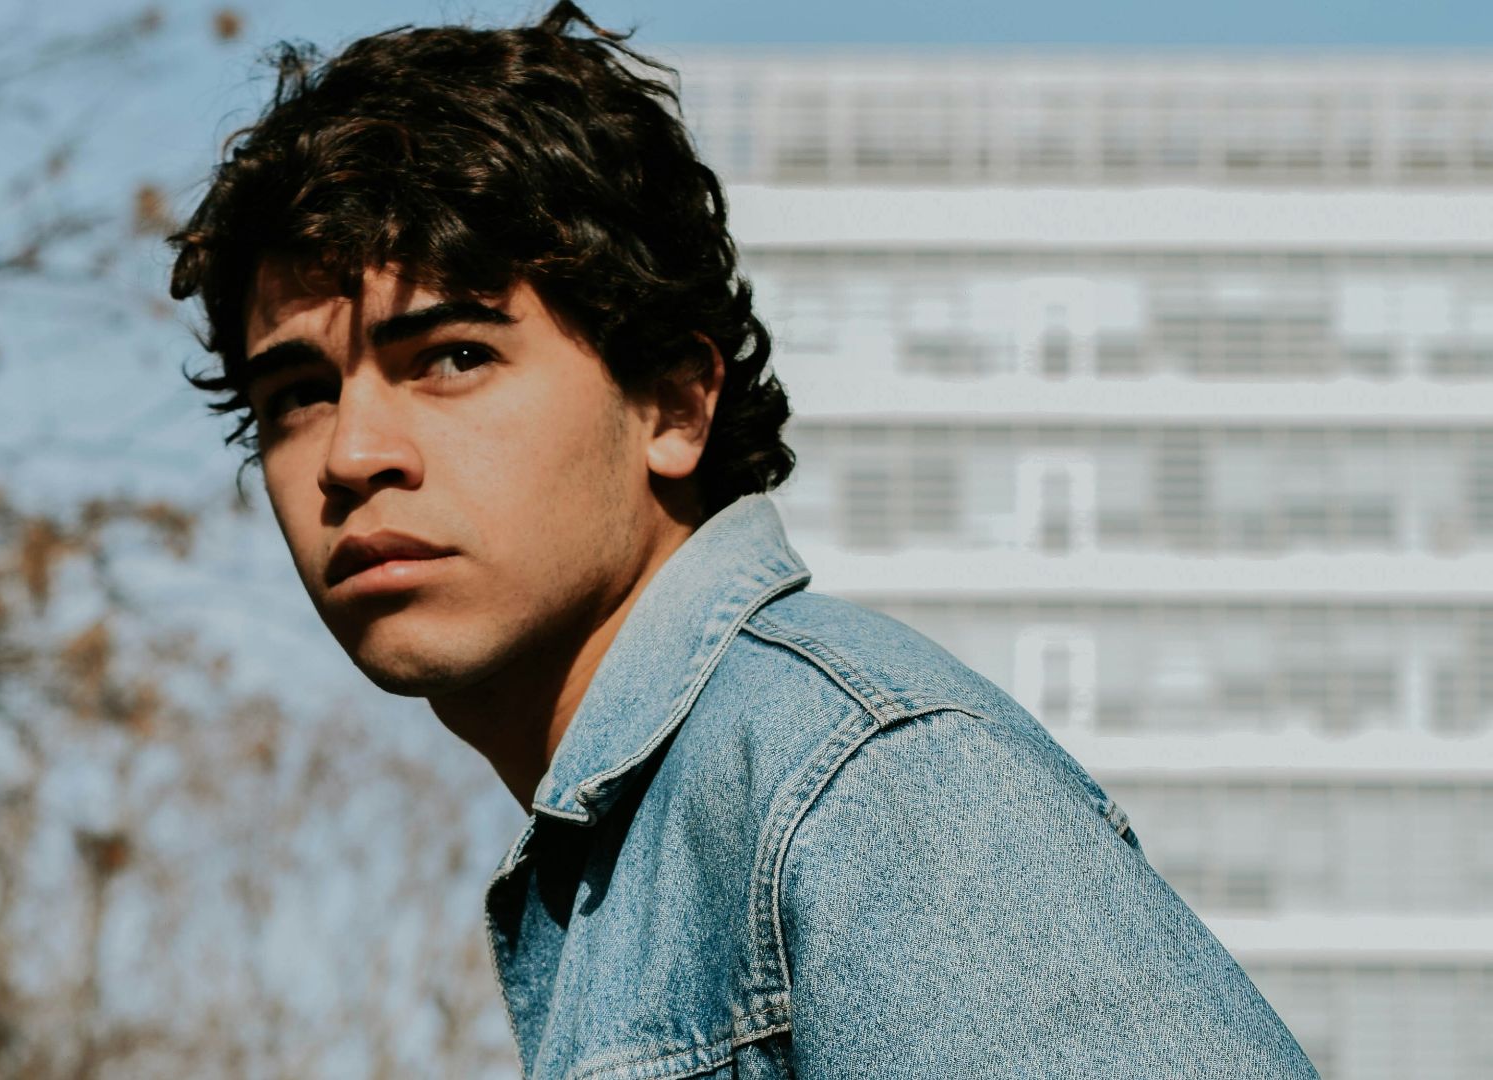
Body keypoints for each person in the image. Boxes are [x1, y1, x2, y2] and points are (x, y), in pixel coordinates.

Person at [165, 5, 1317, 1076]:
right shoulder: (641, 848)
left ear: (673, 406)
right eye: (296, 394)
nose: (352, 453)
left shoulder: (858, 781)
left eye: (455, 356)